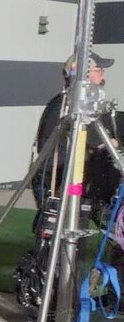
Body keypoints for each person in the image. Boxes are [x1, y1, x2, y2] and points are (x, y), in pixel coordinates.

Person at [33, 52, 119, 212]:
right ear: (84, 75)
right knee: (59, 221)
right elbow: (101, 142)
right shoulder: (72, 107)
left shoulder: (68, 101)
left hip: (66, 175)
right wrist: (111, 143)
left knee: (75, 218)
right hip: (58, 178)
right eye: (99, 70)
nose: (103, 75)